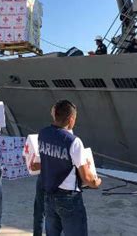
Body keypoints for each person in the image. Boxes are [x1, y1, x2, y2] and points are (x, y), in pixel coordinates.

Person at [35, 100, 101, 236]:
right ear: (71, 119)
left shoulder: (43, 134)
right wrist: (96, 182)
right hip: (69, 198)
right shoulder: (73, 141)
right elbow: (87, 178)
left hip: (49, 195)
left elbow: (48, 161)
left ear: (55, 115)